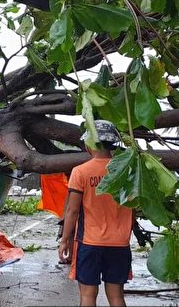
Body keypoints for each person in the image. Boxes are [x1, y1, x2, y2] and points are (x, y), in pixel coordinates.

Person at [58, 120, 133, 307]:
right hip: (120, 243)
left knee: (87, 295)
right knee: (116, 296)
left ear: (90, 143)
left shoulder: (81, 172)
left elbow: (73, 210)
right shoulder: (128, 171)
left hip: (89, 243)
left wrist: (65, 240)